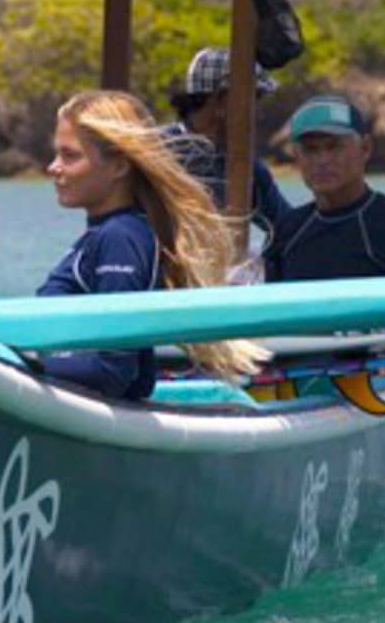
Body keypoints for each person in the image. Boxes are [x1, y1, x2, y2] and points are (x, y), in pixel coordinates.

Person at [39, 90, 264, 399]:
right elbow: (138, 372)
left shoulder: (121, 239)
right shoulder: (111, 234)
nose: (54, 167)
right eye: (56, 154)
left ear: (119, 166)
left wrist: (26, 362)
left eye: (70, 156)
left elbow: (115, 372)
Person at [264, 94, 385, 282]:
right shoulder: (285, 233)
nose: (322, 161)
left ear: (365, 148)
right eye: (310, 150)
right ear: (296, 156)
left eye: (334, 147)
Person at [164, 47, 290, 242]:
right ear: (223, 101)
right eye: (254, 98)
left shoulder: (247, 167)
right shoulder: (157, 154)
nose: (258, 113)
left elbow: (289, 228)